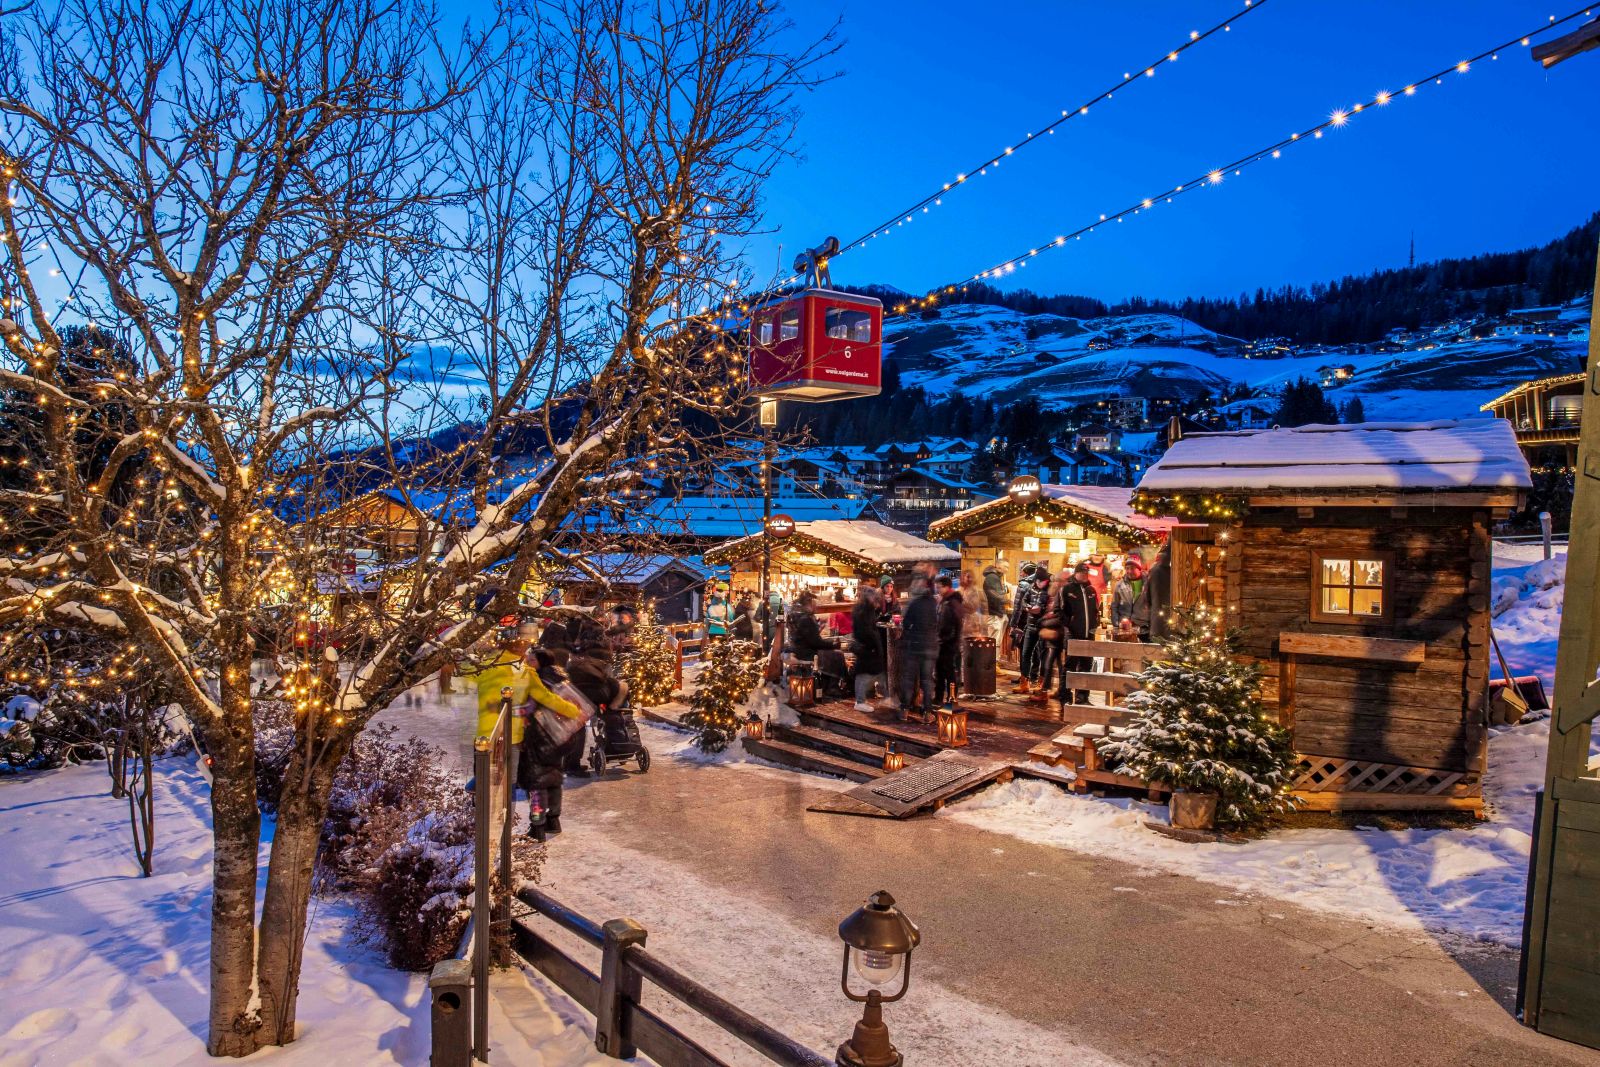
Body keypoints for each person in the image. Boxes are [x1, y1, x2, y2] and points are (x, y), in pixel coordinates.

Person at [517, 646, 592, 839]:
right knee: (553, 778)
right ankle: (553, 820)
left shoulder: (538, 681)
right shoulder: (560, 676)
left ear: (541, 662)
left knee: (537, 783)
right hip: (562, 737)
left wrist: (506, 708)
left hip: (540, 736)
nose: (527, 662)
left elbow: (530, 708)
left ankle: (537, 825)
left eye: (531, 660)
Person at [896, 575, 939, 721]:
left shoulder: (913, 603)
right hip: (929, 645)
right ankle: (927, 712)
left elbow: (906, 623)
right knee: (927, 680)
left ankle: (904, 710)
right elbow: (937, 622)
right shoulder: (934, 603)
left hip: (914, 645)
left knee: (909, 679)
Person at [1060, 562, 1102, 705]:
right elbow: (1060, 611)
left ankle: (1082, 696)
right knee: (1070, 665)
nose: (1084, 575)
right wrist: (1069, 623)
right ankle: (1065, 695)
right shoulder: (1067, 589)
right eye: (1082, 572)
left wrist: (1095, 624)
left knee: (1086, 666)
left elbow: (1096, 610)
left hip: (1089, 634)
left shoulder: (1091, 590)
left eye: (1086, 573)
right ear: (1076, 573)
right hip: (1073, 633)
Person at [1012, 565, 1052, 694]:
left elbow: (1053, 608)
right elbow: (1023, 601)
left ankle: (1041, 684)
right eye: (1039, 581)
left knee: (1043, 655)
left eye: (1043, 581)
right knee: (1025, 654)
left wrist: (1042, 609)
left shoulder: (1050, 591)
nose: (1041, 584)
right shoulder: (1030, 588)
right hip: (1030, 625)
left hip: (1043, 626)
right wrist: (1028, 607)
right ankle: (1024, 682)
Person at [850, 584, 887, 711]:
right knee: (865, 673)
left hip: (867, 645)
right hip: (866, 646)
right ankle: (860, 701)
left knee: (877, 672)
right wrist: (873, 643)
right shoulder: (863, 611)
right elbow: (865, 630)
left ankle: (886, 697)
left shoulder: (864, 609)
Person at [934, 574, 964, 708]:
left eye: (939, 587)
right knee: (940, 671)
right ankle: (939, 697)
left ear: (947, 587)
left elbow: (954, 624)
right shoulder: (945, 601)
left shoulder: (953, 602)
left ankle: (951, 699)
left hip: (949, 644)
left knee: (949, 672)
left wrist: (945, 639)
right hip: (943, 642)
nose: (938, 590)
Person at [1132, 544, 1172, 643]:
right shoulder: (1175, 570)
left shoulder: (1154, 571)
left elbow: (1147, 598)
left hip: (1157, 623)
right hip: (1173, 624)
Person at [1109, 564, 1137, 633]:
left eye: (1132, 568)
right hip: (1123, 626)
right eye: (1127, 568)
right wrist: (1116, 624)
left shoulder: (1144, 583)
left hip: (1140, 626)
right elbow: (1114, 606)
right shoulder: (1119, 584)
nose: (1129, 571)